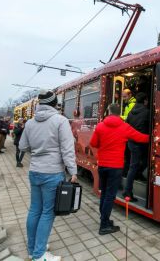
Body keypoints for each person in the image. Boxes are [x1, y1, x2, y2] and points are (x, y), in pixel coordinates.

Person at [19, 90, 78, 261]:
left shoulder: (30, 122)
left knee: (35, 209)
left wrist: (38, 151)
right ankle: (39, 255)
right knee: (47, 212)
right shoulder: (60, 121)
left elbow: (23, 146)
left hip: (35, 171)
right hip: (52, 172)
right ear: (55, 104)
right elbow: (67, 149)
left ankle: (33, 249)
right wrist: (72, 171)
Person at [90, 103, 149, 235]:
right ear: (118, 113)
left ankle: (104, 219)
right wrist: (155, 137)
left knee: (104, 194)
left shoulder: (100, 126)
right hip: (115, 167)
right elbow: (140, 137)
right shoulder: (124, 127)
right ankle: (104, 225)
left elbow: (93, 143)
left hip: (103, 165)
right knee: (110, 196)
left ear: (109, 111)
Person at [124, 93, 150, 201]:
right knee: (137, 165)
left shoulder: (130, 112)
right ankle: (127, 192)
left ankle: (136, 175)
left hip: (131, 143)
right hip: (141, 143)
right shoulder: (147, 112)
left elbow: (127, 125)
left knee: (134, 165)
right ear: (145, 101)